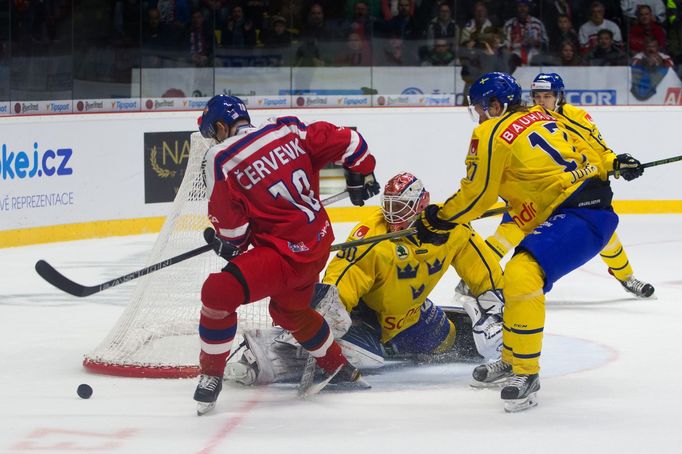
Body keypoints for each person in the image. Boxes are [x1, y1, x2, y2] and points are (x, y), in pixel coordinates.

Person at [413, 72, 644, 412]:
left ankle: (526, 372)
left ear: (494, 105)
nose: (477, 115)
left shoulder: (490, 131)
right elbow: (590, 149)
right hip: (569, 206)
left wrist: (439, 217)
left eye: (479, 107)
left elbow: (477, 194)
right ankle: (510, 358)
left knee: (523, 273)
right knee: (513, 276)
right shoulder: (546, 115)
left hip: (580, 211)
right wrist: (613, 162)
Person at [222, 172, 506, 386]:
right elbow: (346, 274)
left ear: (422, 206)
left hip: (409, 316)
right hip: (366, 316)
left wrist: (495, 300)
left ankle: (510, 342)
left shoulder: (452, 228)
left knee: (457, 343)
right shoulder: (373, 237)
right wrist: (323, 311)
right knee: (367, 356)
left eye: (402, 207)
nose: (394, 215)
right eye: (390, 206)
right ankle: (272, 350)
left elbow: (482, 267)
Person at [193, 95, 381, 415]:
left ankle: (210, 375)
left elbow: (235, 237)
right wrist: (361, 174)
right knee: (289, 312)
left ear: (222, 126)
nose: (214, 138)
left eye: (214, 132)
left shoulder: (221, 158)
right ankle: (337, 366)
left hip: (285, 257)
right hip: (319, 243)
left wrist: (225, 244)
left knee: (217, 292)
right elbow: (352, 141)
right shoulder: (288, 129)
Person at [472, 72, 654, 299]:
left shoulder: (573, 116)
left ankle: (627, 278)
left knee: (606, 236)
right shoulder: (529, 115)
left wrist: (616, 163)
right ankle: (473, 278)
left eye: (547, 96)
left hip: (569, 193)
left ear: (559, 96)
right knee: (504, 237)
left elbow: (598, 150)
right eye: (537, 96)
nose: (541, 101)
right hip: (533, 197)